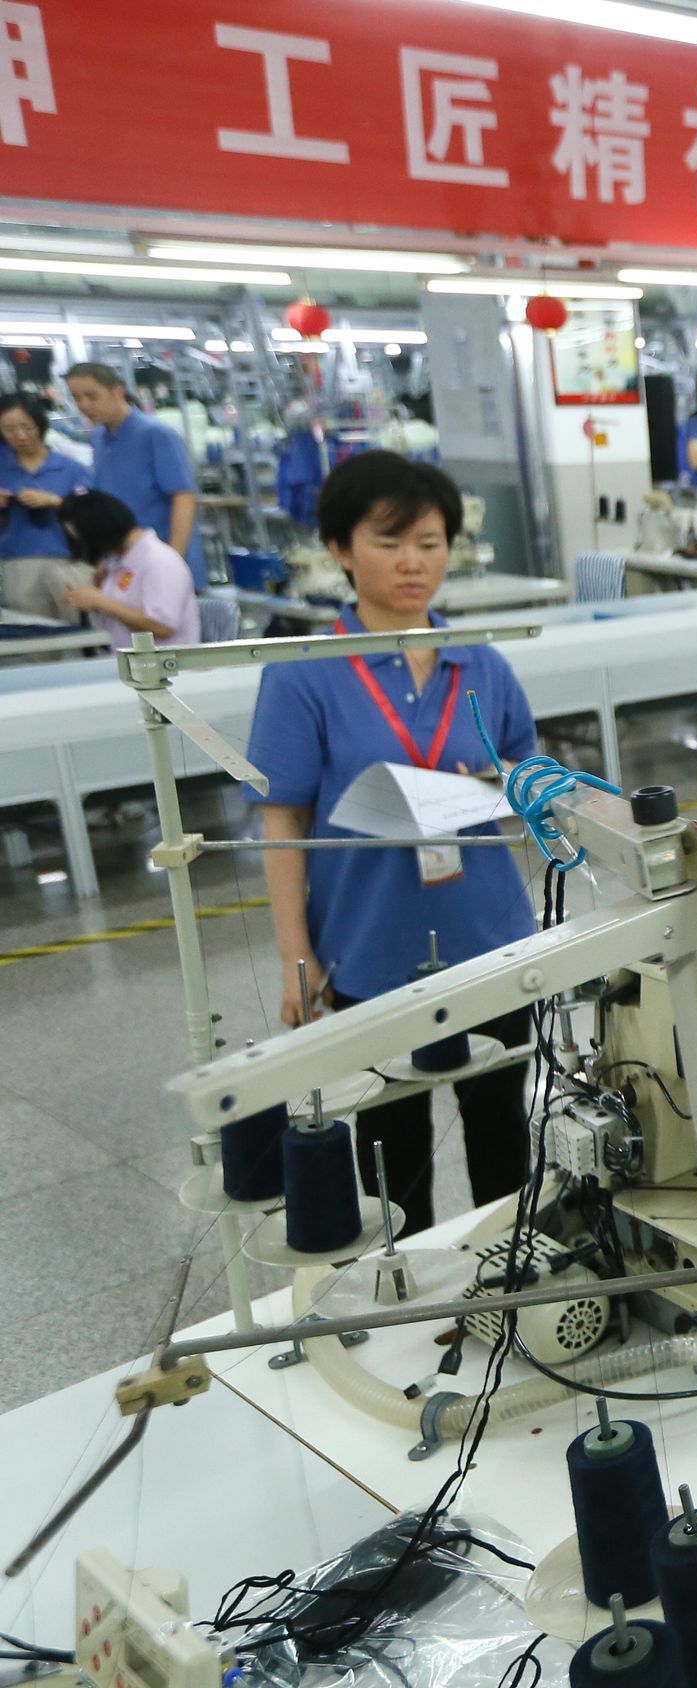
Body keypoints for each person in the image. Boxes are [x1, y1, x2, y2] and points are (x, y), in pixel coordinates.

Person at [246, 451, 537, 1235]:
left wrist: (505, 783)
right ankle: (410, 1290)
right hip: (370, 945)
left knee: (501, 1123)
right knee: (392, 1145)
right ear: (339, 549)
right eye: (389, 541)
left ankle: (511, 1270)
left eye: (431, 543)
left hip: (491, 935)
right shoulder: (305, 674)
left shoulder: (481, 661)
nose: (414, 562)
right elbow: (283, 821)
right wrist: (295, 954)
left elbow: (527, 773)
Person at [65, 362, 202, 589]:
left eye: (91, 396)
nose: (84, 405)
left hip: (162, 558)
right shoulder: (99, 439)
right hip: (124, 563)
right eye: (76, 398)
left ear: (117, 391)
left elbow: (183, 498)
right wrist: (104, 559)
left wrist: (172, 562)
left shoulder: (155, 434)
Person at [56, 489, 199, 650]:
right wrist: (91, 600)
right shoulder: (116, 562)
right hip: (124, 656)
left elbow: (162, 626)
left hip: (163, 659)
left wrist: (101, 601)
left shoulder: (159, 561)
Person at [0, 391, 89, 617]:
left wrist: (55, 501)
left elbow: (96, 514)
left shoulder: (70, 469)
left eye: (27, 427)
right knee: (32, 630)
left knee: (77, 627)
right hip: (16, 563)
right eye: (9, 430)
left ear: (40, 424)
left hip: (68, 561)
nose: (20, 436)